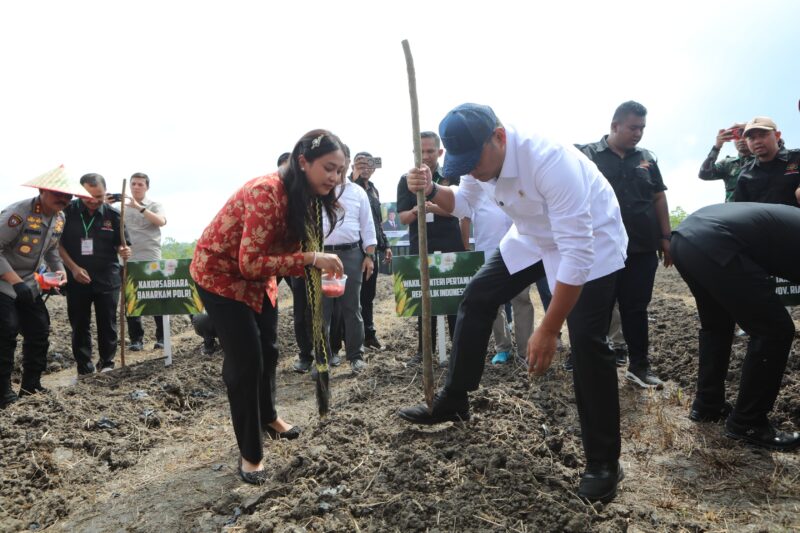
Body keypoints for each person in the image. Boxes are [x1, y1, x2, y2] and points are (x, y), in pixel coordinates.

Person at [398, 103, 628, 503]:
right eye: (463, 164)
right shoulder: (477, 163)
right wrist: (433, 189)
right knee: (477, 297)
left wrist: (549, 328)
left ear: (500, 138)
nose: (471, 171)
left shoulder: (550, 161)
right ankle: (455, 398)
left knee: (588, 343)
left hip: (592, 243)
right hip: (533, 237)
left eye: (475, 161)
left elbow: (576, 252)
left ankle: (605, 463)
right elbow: (465, 203)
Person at [190, 129, 345, 485]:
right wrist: (310, 258)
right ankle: (250, 452)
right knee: (246, 361)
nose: (334, 178)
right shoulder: (266, 193)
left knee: (269, 350)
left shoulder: (305, 194)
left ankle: (269, 416)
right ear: (303, 162)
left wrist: (314, 265)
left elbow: (277, 258)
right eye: (329, 168)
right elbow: (249, 263)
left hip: (261, 280)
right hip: (221, 276)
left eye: (340, 171)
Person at [671, 202, 800, 451]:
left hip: (685, 238)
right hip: (716, 240)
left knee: (717, 325)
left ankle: (708, 404)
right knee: (774, 330)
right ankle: (748, 423)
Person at [577, 101, 670, 389]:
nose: (638, 133)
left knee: (636, 308)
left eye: (642, 128)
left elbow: (658, 198)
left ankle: (639, 367)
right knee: (596, 308)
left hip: (641, 248)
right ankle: (588, 363)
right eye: (633, 127)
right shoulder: (586, 155)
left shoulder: (647, 159)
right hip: (600, 247)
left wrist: (666, 238)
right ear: (614, 126)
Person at [0, 166, 84, 407]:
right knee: (6, 331)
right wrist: (16, 283)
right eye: (58, 194)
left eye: (68, 196)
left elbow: (51, 249)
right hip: (4, 282)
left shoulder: (59, 217)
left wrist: (59, 271)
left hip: (27, 283)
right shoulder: (18, 214)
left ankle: (31, 385)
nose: (64, 200)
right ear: (41, 191)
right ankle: (3, 391)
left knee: (39, 330)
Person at [397, 132, 465, 361]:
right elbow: (403, 218)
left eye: (430, 151)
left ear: (440, 152)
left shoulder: (453, 176)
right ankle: (424, 350)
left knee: (454, 299)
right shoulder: (406, 180)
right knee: (424, 299)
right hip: (421, 247)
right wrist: (417, 210)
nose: (425, 156)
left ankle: (458, 349)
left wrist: (433, 207)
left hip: (450, 246)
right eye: (421, 151)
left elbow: (458, 210)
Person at [58, 173, 131, 375]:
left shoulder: (115, 215)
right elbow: (57, 244)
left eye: (98, 197)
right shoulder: (66, 212)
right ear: (79, 193)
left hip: (107, 276)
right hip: (76, 276)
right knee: (79, 323)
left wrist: (124, 251)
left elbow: (122, 245)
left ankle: (107, 362)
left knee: (107, 321)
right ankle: (84, 366)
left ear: (105, 192)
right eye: (87, 196)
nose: (93, 201)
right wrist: (73, 268)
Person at [459, 194, 534, 365]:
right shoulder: (474, 189)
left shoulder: (514, 185)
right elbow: (464, 218)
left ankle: (525, 351)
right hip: (488, 252)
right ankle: (502, 347)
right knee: (492, 302)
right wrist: (466, 249)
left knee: (521, 299)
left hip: (519, 251)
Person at [320, 155, 377, 373]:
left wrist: (369, 255)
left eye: (341, 162)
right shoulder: (318, 190)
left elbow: (367, 225)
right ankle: (322, 358)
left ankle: (355, 356)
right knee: (321, 310)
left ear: (346, 163)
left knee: (352, 307)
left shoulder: (357, 192)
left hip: (352, 254)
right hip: (323, 255)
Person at [116, 172, 168, 351]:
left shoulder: (155, 205)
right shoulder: (121, 208)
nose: (136, 187)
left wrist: (139, 207)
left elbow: (161, 221)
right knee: (131, 299)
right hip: (128, 259)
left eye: (140, 184)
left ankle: (162, 337)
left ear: (147, 187)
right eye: (134, 184)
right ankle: (136, 339)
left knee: (155, 297)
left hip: (150, 258)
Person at [353, 152, 392, 350]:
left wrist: (385, 245)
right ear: (352, 166)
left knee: (368, 296)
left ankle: (369, 335)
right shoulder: (349, 188)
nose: (365, 167)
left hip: (372, 249)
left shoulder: (374, 190)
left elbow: (377, 222)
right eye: (360, 163)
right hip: (353, 250)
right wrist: (354, 176)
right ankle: (351, 340)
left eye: (368, 164)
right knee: (352, 297)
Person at [733, 117, 800, 206]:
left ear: (777, 136)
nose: (757, 141)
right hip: (760, 220)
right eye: (751, 138)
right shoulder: (745, 173)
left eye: (762, 135)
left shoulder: (797, 158)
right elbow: (740, 209)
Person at [698, 123, 753, 202]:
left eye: (745, 136)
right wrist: (717, 146)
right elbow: (704, 174)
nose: (741, 140)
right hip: (733, 211)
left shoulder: (764, 158)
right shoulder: (727, 164)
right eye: (737, 136)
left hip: (757, 210)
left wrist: (751, 126)